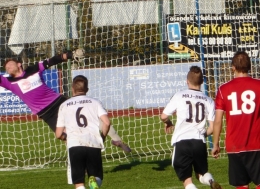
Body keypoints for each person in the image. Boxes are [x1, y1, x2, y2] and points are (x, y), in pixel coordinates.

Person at [1, 51, 131, 152]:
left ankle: (117, 140)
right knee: (63, 136)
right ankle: (79, 157)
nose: (7, 67)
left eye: (9, 64)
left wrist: (69, 55)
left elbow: (52, 60)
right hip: (46, 114)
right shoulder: (9, 83)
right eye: (6, 67)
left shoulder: (34, 69)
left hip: (60, 102)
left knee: (93, 118)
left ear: (19, 64)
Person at [160, 66, 221, 189]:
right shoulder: (208, 100)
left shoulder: (179, 95)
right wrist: (201, 134)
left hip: (182, 141)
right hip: (199, 142)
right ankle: (211, 181)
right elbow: (212, 127)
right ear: (202, 82)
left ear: (187, 81)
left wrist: (168, 123)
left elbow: (163, 116)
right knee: (201, 174)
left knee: (187, 181)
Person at [212, 51, 260, 188]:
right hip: (256, 144)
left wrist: (215, 144)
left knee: (241, 185)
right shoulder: (258, 85)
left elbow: (218, 120)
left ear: (233, 67)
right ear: (250, 66)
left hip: (234, 146)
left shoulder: (223, 89)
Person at [56, 75, 110, 189]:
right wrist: (103, 137)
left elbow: (58, 134)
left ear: (72, 88)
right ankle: (93, 181)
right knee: (97, 178)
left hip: (75, 144)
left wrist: (65, 138)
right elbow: (106, 123)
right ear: (87, 89)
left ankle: (87, 184)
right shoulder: (95, 102)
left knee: (79, 182)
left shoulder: (64, 105)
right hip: (93, 143)